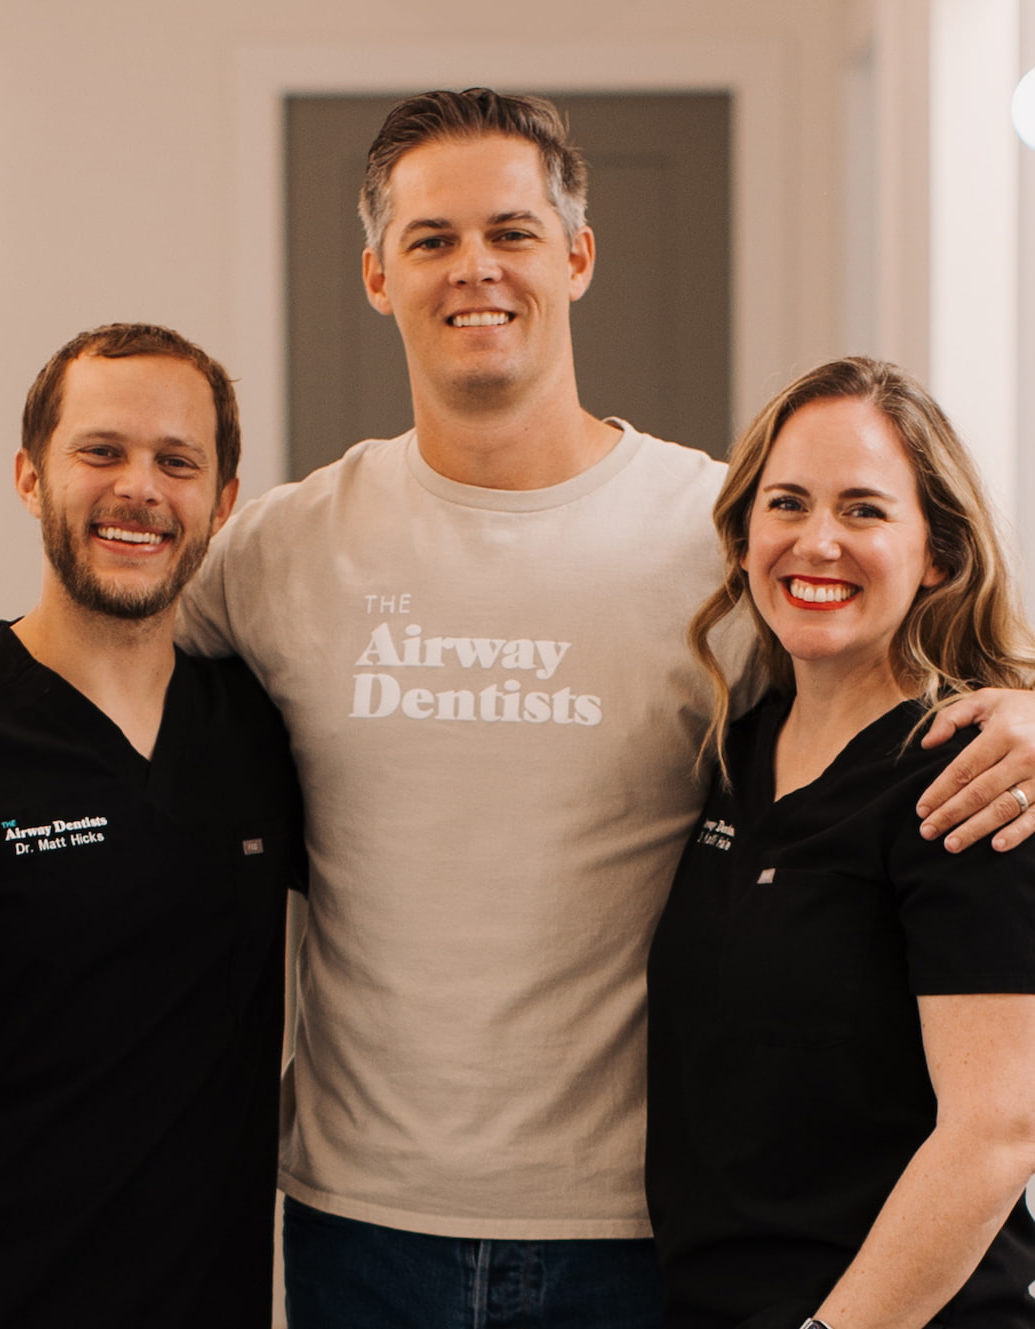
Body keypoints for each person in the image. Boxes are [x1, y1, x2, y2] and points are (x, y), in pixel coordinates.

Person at [178, 92, 1035, 1329]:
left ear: (576, 255)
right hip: (358, 1219)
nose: (476, 267)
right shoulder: (280, 548)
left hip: (640, 1230)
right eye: (431, 240)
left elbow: (891, 649)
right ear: (377, 275)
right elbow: (100, 676)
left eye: (514, 232)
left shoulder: (719, 539)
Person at [647, 356, 1035, 1329]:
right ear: (742, 540)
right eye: (787, 504)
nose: (817, 543)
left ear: (937, 554)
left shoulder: (970, 777)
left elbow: (997, 1129)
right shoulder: (735, 748)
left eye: (864, 510)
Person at [0, 323, 306, 1329]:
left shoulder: (259, 733)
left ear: (222, 503)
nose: (139, 489)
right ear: (31, 477)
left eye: (176, 462)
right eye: (101, 452)